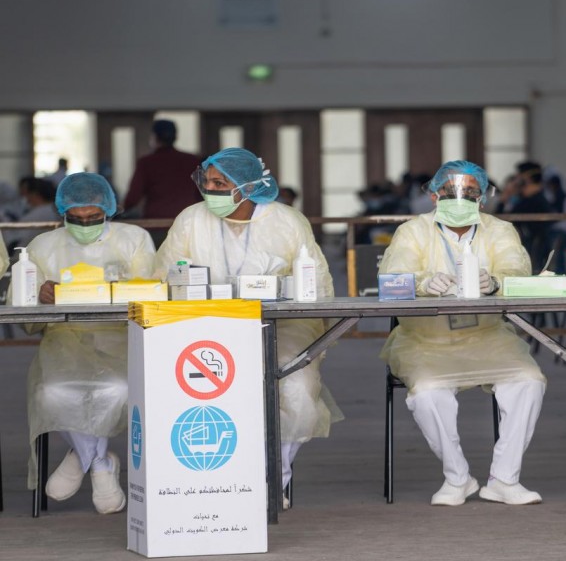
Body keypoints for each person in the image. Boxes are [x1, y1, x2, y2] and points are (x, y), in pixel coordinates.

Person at [153, 147, 341, 510]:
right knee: (204, 387)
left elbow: (317, 284)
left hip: (284, 325)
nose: (210, 190)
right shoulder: (191, 220)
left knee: (298, 388)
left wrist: (318, 336)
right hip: (206, 325)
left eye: (219, 183)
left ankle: (277, 475)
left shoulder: (287, 221)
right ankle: (219, 478)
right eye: (206, 181)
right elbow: (162, 277)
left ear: (247, 186)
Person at [378, 160, 546, 506]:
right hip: (425, 340)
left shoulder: (499, 230)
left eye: (470, 192)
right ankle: (457, 478)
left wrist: (496, 282)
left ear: (483, 197)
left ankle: (504, 478)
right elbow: (393, 277)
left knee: (528, 381)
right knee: (426, 393)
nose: (460, 198)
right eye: (450, 190)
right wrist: (423, 283)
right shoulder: (413, 231)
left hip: (488, 336)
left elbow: (517, 269)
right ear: (434, 194)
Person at [17, 173, 156, 514]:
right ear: (63, 213)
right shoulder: (43, 247)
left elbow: (152, 294)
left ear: (109, 210)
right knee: (51, 392)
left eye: (93, 218)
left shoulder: (134, 239)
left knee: (117, 388)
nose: (84, 225)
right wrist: (39, 295)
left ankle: (82, 457)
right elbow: (23, 314)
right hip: (64, 341)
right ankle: (98, 463)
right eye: (75, 220)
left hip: (121, 338)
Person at [123, 119, 202, 247]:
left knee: (158, 264)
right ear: (176, 137)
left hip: (156, 225)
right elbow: (201, 193)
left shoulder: (147, 163)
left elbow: (133, 197)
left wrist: (117, 211)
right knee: (188, 265)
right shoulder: (192, 160)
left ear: (154, 137)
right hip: (188, 224)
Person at [3, 177, 57, 252]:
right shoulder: (51, 209)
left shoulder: (38, 214)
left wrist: (4, 221)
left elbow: (15, 242)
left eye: (26, 194)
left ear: (35, 195)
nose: (25, 198)